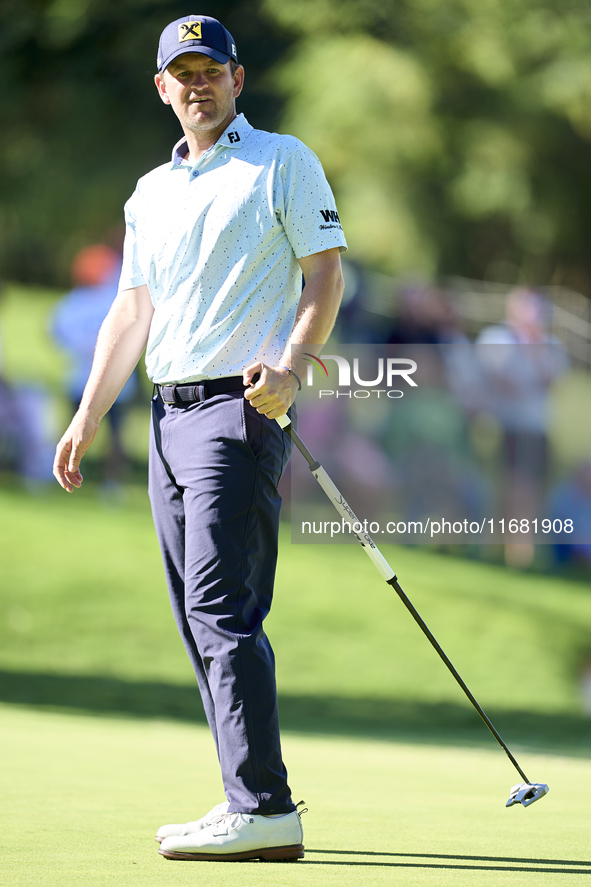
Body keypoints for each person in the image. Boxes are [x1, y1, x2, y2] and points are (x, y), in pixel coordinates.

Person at [53, 14, 346, 863]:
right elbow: (131, 311)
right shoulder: (149, 192)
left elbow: (324, 270)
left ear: (236, 79)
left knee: (224, 607)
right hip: (166, 416)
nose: (196, 84)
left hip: (239, 409)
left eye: (209, 70)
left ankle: (263, 806)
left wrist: (293, 365)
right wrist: (87, 412)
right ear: (161, 88)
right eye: (181, 73)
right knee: (197, 615)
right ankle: (246, 797)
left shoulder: (280, 160)